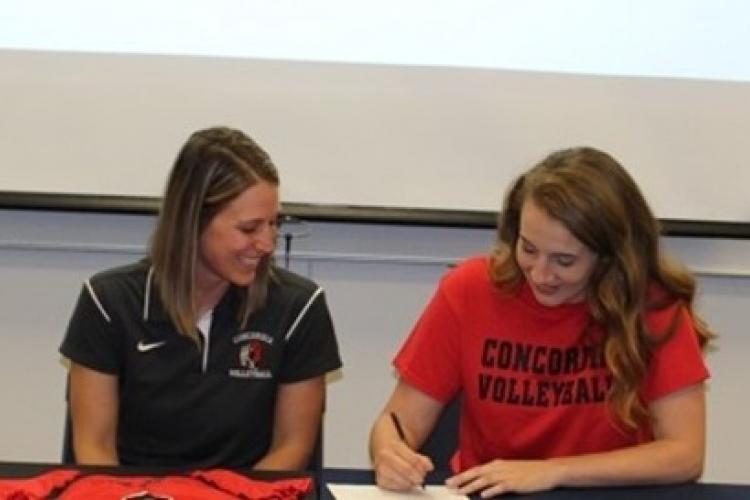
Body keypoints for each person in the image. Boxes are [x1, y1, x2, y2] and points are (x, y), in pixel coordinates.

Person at [369, 146, 714, 497]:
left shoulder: (651, 305)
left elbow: (684, 454)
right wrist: (388, 453)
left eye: (564, 261)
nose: (540, 274)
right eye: (528, 249)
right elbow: (396, 423)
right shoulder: (468, 290)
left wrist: (554, 471)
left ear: (610, 258)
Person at [60, 126, 342, 469]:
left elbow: (291, 449)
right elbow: (95, 450)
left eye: (274, 224)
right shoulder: (108, 303)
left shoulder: (298, 309)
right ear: (193, 220)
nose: (267, 244)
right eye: (250, 228)